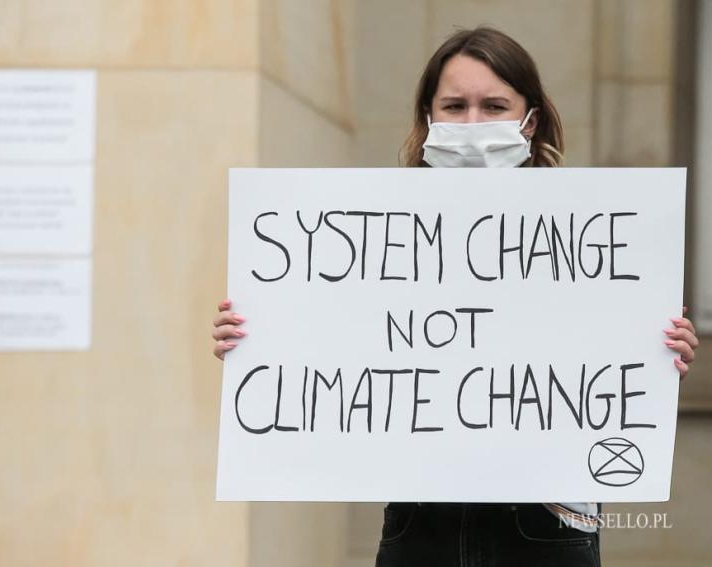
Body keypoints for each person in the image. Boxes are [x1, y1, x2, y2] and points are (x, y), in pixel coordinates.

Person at [211, 26, 699, 567]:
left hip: (546, 522)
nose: (472, 124)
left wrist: (655, 353)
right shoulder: (375, 233)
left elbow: (604, 365)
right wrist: (260, 339)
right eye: (454, 105)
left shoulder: (586, 237)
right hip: (419, 523)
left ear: (529, 121)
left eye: (494, 106)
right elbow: (341, 342)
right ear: (428, 117)